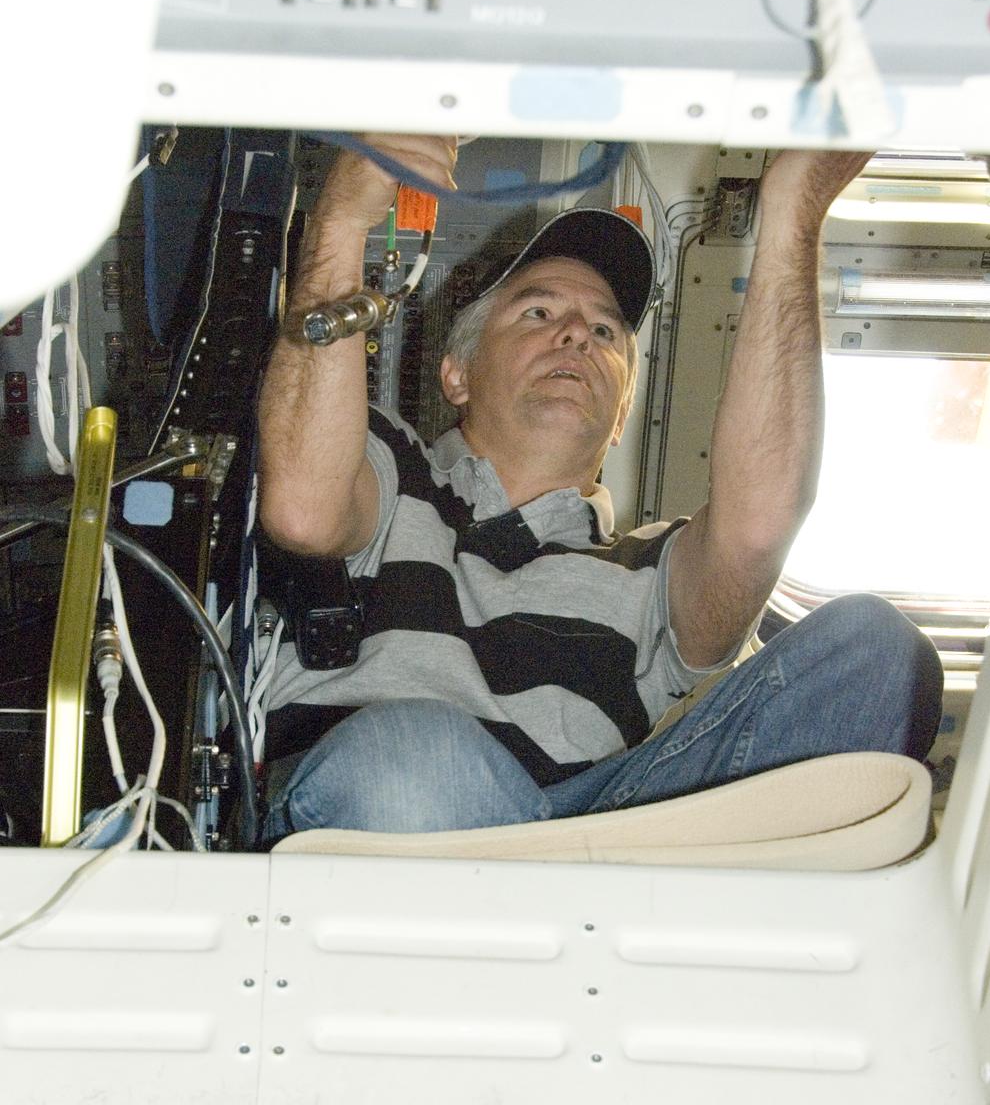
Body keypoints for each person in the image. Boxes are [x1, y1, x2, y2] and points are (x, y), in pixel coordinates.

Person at [257, 134, 942, 842]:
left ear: (620, 418)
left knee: (877, 651)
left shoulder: (646, 574)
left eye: (607, 331)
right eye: (538, 312)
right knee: (413, 759)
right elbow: (305, 512)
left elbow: (760, 525)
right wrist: (338, 223)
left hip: (588, 847)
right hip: (370, 804)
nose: (578, 335)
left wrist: (794, 216)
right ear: (456, 374)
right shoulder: (389, 471)